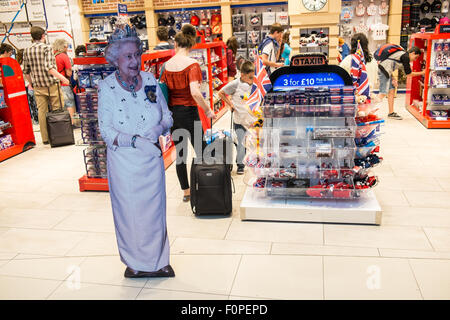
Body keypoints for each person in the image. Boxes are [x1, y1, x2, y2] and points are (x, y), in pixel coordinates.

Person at [98, 24, 175, 278]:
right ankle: (135, 263)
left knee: (155, 213)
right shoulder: (107, 88)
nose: (135, 61)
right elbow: (106, 131)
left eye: (137, 55)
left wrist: (159, 128)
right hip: (124, 164)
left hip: (151, 161)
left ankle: (159, 261)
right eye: (128, 56)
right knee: (130, 216)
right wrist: (134, 140)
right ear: (116, 59)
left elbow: (166, 115)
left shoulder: (150, 81)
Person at [160, 24, 216, 202]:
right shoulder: (192, 65)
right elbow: (194, 92)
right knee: (201, 150)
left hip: (173, 114)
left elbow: (162, 91)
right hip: (190, 113)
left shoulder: (166, 66)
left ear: (176, 44)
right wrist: (208, 110)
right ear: (191, 45)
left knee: (181, 153)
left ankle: (186, 192)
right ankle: (207, 185)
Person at [23, 26, 70, 145]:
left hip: (37, 85)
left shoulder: (27, 50)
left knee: (41, 111)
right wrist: (64, 78)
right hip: (51, 84)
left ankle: (45, 138)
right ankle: (59, 136)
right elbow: (50, 68)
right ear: (43, 36)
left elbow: (26, 71)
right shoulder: (47, 48)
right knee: (57, 110)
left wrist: (32, 83)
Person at [218, 61, 255, 175]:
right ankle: (240, 165)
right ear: (242, 75)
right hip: (239, 119)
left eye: (253, 77)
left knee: (254, 142)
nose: (252, 80)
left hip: (253, 119)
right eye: (250, 77)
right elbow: (221, 93)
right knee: (241, 143)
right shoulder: (235, 84)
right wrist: (230, 104)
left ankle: (256, 161)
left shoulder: (255, 84)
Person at [376, 46, 424, 120]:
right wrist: (423, 72)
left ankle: (391, 113)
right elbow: (409, 74)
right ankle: (369, 111)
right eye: (416, 57)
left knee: (391, 90)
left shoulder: (403, 55)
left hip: (386, 70)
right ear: (413, 53)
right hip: (384, 71)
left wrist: (392, 77)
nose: (415, 60)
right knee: (383, 93)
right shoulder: (405, 57)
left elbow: (390, 63)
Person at [339, 33, 379, 100]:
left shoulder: (346, 61)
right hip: (369, 99)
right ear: (366, 45)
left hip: (351, 100)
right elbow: (374, 81)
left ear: (352, 45)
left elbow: (340, 83)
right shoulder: (373, 61)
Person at [53, 39, 76, 126]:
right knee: (69, 103)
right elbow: (68, 72)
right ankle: (71, 123)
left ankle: (63, 125)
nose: (67, 48)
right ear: (62, 47)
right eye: (66, 47)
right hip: (64, 83)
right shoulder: (63, 56)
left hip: (54, 85)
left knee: (60, 105)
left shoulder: (52, 55)